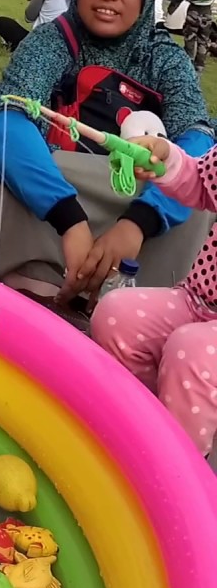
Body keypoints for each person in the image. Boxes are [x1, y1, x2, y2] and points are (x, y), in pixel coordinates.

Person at [0, 0, 214, 316]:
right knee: (0, 163)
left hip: (128, 201)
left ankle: (142, 307)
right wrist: (69, 218)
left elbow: (198, 140)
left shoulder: (164, 57)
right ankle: (34, 289)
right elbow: (6, 120)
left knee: (202, 188)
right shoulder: (52, 40)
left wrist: (138, 222)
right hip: (53, 196)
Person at [91, 131, 217, 456]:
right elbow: (201, 184)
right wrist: (165, 158)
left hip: (203, 341)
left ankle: (180, 477)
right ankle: (139, 434)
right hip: (197, 299)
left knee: (192, 353)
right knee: (116, 314)